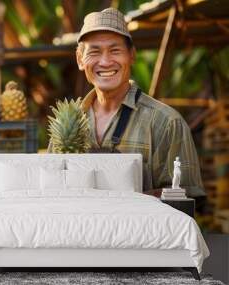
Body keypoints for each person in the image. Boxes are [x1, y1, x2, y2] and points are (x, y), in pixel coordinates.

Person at [47, 7, 205, 198]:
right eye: (94, 52)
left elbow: (186, 200)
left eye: (115, 50)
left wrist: (132, 198)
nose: (105, 62)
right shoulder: (66, 122)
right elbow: (51, 191)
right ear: (80, 59)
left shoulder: (167, 123)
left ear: (132, 55)